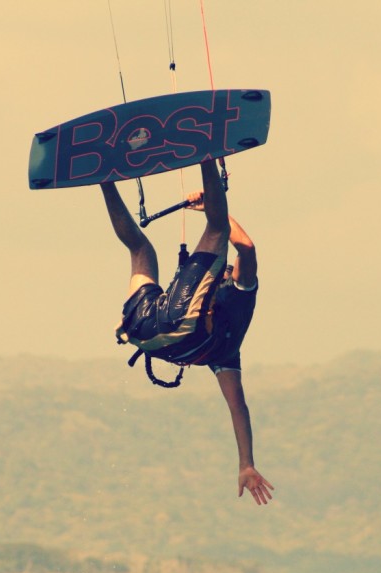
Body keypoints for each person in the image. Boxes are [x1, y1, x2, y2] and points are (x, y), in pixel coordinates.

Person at [100, 159, 274, 506]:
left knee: (215, 231)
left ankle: (205, 154)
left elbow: (247, 248)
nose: (220, 272)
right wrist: (245, 463)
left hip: (168, 324)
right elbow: (237, 406)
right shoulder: (226, 354)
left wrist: (214, 203)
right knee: (141, 250)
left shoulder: (241, 293)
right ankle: (104, 179)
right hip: (143, 332)